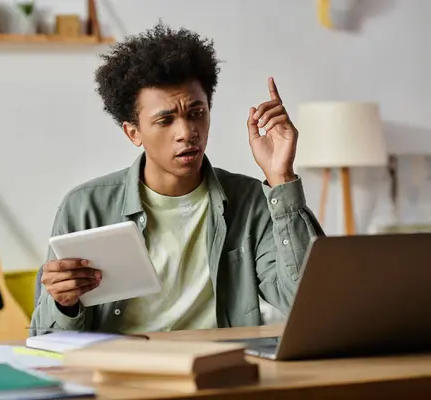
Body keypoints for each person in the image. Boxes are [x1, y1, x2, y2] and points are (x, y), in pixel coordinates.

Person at [29, 22, 324, 336]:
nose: (186, 133)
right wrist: (63, 303)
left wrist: (281, 178)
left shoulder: (252, 201)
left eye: (196, 112)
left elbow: (311, 304)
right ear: (133, 132)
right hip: (123, 373)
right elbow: (44, 341)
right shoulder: (85, 206)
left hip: (219, 371)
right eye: (165, 120)